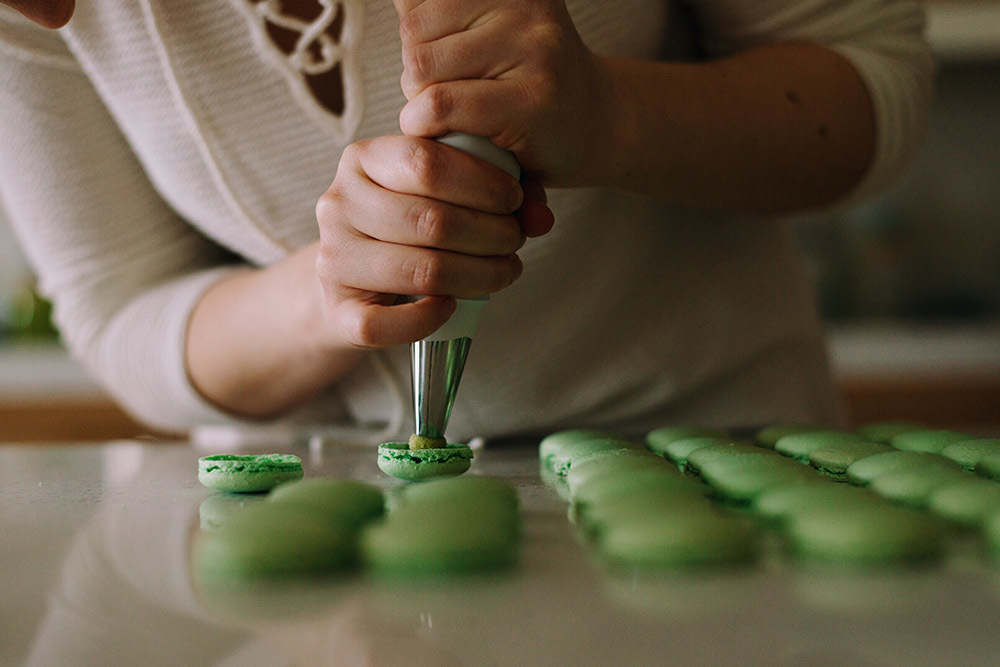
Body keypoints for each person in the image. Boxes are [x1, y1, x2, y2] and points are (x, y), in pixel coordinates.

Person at [0, 0, 932, 442]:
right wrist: (330, 293)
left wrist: (609, 117)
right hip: (309, 567)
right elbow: (119, 308)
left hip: (713, 474)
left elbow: (871, 72)